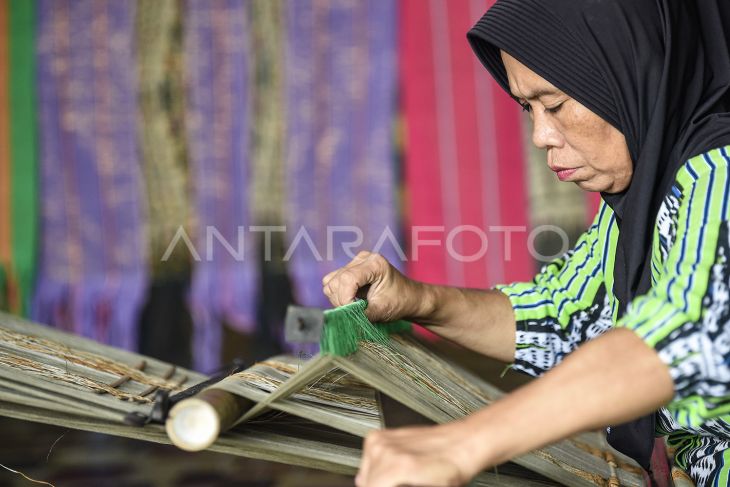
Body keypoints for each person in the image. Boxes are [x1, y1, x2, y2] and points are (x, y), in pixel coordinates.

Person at [321, 0, 730, 486]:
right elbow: (570, 316)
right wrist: (418, 299)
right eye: (527, 108)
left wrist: (464, 443)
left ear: (632, 68)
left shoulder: (720, 172)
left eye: (554, 104)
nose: (540, 135)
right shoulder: (642, 198)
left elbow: (688, 332)